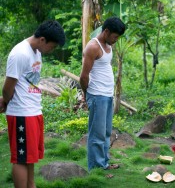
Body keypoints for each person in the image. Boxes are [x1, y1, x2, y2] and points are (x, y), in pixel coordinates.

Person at [0, 20, 65, 188]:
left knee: (30, 156)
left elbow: (30, 82)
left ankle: (31, 185)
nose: (51, 50)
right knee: (21, 158)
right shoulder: (20, 53)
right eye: (52, 47)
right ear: (42, 39)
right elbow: (7, 88)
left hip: (34, 111)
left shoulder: (36, 52)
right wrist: (6, 101)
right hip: (21, 113)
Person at [79, 17, 126, 171]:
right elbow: (83, 76)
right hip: (97, 95)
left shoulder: (108, 45)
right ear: (106, 31)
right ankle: (96, 168)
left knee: (105, 133)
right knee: (97, 134)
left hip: (107, 94)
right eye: (115, 37)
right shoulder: (93, 47)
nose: (116, 40)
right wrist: (87, 95)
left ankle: (104, 163)